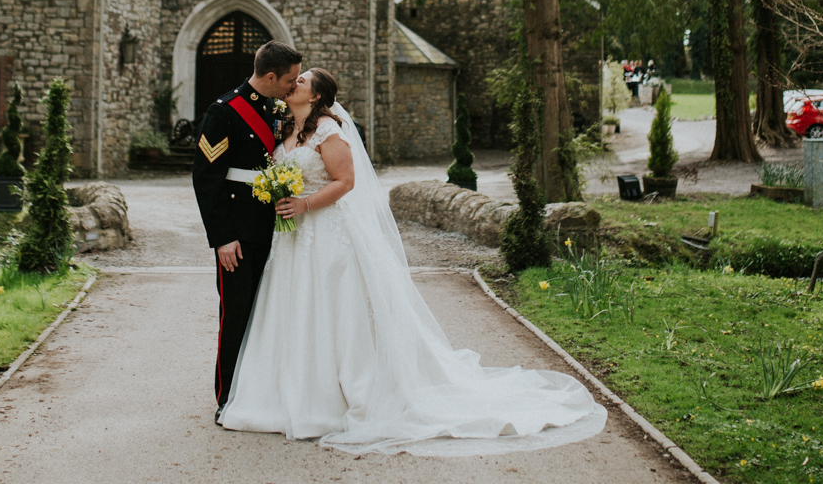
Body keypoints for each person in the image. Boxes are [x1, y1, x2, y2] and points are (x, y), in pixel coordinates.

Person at [219, 68, 605, 455]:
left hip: (327, 234)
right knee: (294, 307)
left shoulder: (328, 131)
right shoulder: (286, 128)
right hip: (294, 239)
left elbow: (345, 182)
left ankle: (337, 396)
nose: (294, 83)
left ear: (317, 96)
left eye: (302, 81)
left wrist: (303, 203)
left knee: (333, 307)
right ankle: (287, 392)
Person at [191, 40, 300, 422]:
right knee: (236, 313)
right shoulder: (223, 112)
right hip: (238, 232)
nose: (294, 85)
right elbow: (206, 179)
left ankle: (265, 390)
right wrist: (222, 237)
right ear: (270, 77)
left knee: (270, 313)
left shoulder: (279, 108)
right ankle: (229, 396)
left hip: (276, 228)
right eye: (290, 79)